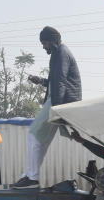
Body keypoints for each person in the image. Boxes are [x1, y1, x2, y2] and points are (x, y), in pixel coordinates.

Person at [13, 26, 82, 189]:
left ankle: (31, 177)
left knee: (33, 134)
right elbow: (56, 80)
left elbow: (60, 82)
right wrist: (41, 81)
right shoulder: (61, 53)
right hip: (61, 100)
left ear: (52, 41)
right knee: (42, 140)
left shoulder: (61, 53)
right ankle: (30, 175)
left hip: (59, 101)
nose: (44, 46)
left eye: (44, 43)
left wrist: (57, 109)